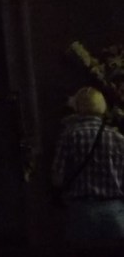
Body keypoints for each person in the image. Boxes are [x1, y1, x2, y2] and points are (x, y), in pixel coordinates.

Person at [51, 85, 124, 244]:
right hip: (114, 213)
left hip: (81, 212)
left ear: (78, 107)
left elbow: (57, 178)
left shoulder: (69, 136)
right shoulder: (117, 138)